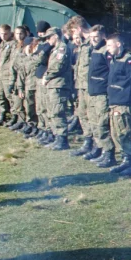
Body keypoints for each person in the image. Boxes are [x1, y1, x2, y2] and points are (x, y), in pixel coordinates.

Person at [104, 34, 131, 175]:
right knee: (116, 134)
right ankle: (125, 159)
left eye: (109, 45)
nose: (107, 48)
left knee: (125, 133)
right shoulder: (113, 60)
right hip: (114, 102)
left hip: (124, 103)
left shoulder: (129, 60)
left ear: (118, 44)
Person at [40, 28, 73, 151]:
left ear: (56, 36)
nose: (47, 40)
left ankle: (62, 139)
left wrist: (47, 76)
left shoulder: (62, 48)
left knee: (57, 111)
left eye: (49, 37)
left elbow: (58, 66)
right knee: (52, 111)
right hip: (53, 85)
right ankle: (57, 137)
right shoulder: (54, 49)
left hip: (59, 85)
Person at [85, 25, 111, 163]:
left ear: (103, 36)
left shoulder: (106, 51)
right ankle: (99, 147)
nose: (93, 40)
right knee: (94, 122)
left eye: (96, 37)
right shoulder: (94, 50)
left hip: (102, 93)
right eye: (91, 37)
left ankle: (108, 152)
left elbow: (111, 71)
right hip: (92, 92)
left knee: (102, 124)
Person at [69, 21, 94, 156]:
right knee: (82, 113)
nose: (73, 34)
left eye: (73, 31)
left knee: (92, 115)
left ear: (78, 28)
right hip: (81, 85)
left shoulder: (92, 43)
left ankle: (96, 144)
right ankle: (88, 141)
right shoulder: (83, 44)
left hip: (90, 86)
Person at [0, 24, 18, 126]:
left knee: (10, 96)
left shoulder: (13, 44)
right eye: (1, 34)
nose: (3, 36)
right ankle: (2, 114)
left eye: (5, 34)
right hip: (0, 74)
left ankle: (14, 116)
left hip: (7, 74)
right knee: (0, 95)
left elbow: (12, 61)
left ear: (10, 33)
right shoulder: (2, 44)